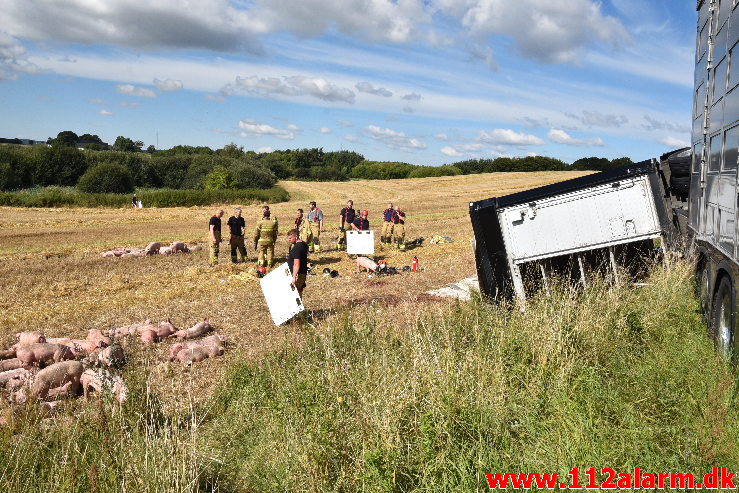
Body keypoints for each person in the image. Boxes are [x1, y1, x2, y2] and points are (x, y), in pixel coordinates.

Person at [287, 229, 308, 297]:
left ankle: (297, 307)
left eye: (290, 238)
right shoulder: (304, 244)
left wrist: (294, 277)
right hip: (302, 273)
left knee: (295, 294)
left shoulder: (297, 248)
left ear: (296, 237)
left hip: (298, 274)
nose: (289, 240)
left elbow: (296, 264)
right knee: (298, 291)